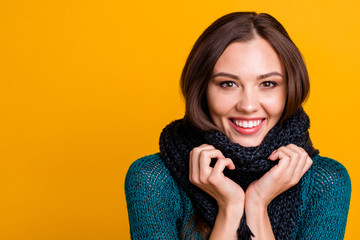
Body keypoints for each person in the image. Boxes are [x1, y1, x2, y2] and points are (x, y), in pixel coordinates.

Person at [125, 12, 351, 240]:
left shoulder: (326, 182)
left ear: (290, 89)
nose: (248, 105)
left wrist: (257, 203)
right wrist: (230, 207)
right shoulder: (153, 180)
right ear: (202, 90)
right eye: (228, 84)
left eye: (268, 83)